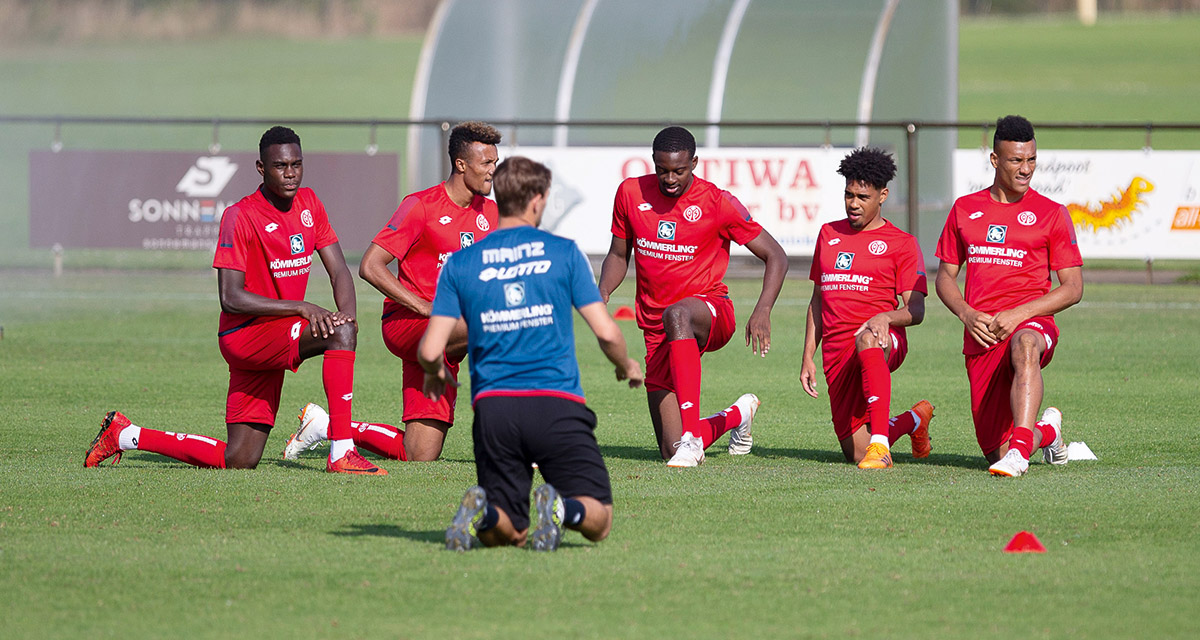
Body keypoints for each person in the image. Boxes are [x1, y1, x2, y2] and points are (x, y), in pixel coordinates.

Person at [86, 126, 385, 475]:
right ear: (261, 167)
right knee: (338, 335)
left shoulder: (310, 204)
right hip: (245, 336)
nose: (290, 174)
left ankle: (125, 435)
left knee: (240, 459)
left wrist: (346, 316)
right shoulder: (240, 216)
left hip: (277, 334)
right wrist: (305, 308)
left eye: (297, 165)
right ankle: (341, 453)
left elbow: (339, 271)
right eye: (280, 166)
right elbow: (231, 298)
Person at [420, 156, 643, 551]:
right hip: (555, 403)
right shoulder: (564, 252)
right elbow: (607, 332)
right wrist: (624, 363)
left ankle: (483, 514)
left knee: (510, 532)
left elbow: (430, 348)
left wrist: (434, 370)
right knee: (600, 520)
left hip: (494, 410)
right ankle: (562, 509)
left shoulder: (461, 262)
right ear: (537, 201)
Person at [280, 121, 502, 463]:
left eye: (495, 163)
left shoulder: (490, 212)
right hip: (408, 324)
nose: (492, 171)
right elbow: (371, 265)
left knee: (419, 453)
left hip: (449, 332)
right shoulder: (421, 206)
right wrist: (425, 307)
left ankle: (324, 426)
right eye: (486, 163)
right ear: (461, 164)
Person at [598, 125, 787, 467]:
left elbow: (776, 255)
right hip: (657, 329)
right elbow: (617, 254)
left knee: (678, 314)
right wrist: (602, 293)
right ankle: (737, 415)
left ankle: (691, 439)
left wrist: (762, 310)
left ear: (694, 163)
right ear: (653, 162)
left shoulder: (717, 202)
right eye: (662, 170)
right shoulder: (629, 193)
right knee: (671, 452)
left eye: (679, 171)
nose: (670, 179)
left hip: (710, 312)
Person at [935, 115, 1083, 477]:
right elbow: (944, 278)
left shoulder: (1052, 214)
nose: (1025, 168)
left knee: (1026, 345)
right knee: (993, 450)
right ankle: (1046, 432)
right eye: (1016, 160)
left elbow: (1073, 287)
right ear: (995, 159)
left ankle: (1019, 453)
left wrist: (1020, 315)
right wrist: (967, 315)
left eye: (1031, 159)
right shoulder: (965, 209)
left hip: (1030, 323)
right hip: (982, 336)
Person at [800, 147, 934, 469]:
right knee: (855, 455)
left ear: (883, 195)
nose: (853, 204)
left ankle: (881, 446)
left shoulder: (902, 243)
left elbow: (915, 310)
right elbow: (819, 299)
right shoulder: (828, 234)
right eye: (849, 195)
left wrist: (885, 317)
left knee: (868, 338)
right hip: (836, 355)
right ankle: (913, 420)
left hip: (884, 341)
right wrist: (807, 355)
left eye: (863, 196)